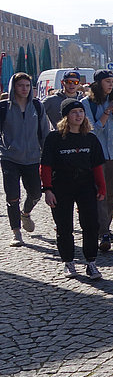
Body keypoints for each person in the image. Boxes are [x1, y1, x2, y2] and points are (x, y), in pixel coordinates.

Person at [40, 99, 107, 279]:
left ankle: (91, 262)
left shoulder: (90, 138)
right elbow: (45, 166)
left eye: (80, 111)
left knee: (91, 224)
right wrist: (47, 189)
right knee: (64, 226)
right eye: (74, 112)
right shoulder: (54, 138)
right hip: (61, 185)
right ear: (66, 116)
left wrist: (101, 187)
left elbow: (97, 166)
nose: (78, 115)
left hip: (85, 185)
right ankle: (68, 262)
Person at [1, 72, 50, 247]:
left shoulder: (37, 106)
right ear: (13, 87)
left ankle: (26, 213)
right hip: (10, 158)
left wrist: (48, 155)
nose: (24, 89)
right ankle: (16, 232)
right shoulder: (4, 107)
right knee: (12, 196)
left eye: (27, 86)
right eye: (21, 85)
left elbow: (45, 132)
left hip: (32, 158)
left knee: (36, 193)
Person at [82, 69, 113, 252]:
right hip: (96, 156)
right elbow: (91, 131)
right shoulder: (87, 103)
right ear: (98, 83)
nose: (111, 84)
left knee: (110, 195)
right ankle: (102, 231)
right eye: (107, 81)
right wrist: (106, 113)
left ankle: (104, 229)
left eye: (112, 81)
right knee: (98, 194)